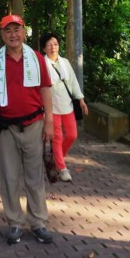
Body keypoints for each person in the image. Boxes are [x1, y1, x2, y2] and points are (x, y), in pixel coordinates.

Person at [0, 14, 55, 245]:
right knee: (10, 176)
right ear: (2, 35)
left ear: (24, 32)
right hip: (6, 128)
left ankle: (38, 222)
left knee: (34, 177)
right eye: (8, 31)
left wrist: (50, 122)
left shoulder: (37, 59)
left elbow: (45, 89)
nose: (13, 35)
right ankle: (14, 222)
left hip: (34, 124)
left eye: (17, 30)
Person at [40, 33, 88, 182]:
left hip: (67, 105)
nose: (53, 47)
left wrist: (81, 99)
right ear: (44, 48)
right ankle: (62, 168)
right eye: (49, 44)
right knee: (57, 137)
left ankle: (56, 158)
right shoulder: (42, 63)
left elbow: (73, 82)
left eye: (55, 44)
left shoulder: (65, 62)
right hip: (51, 107)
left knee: (72, 135)